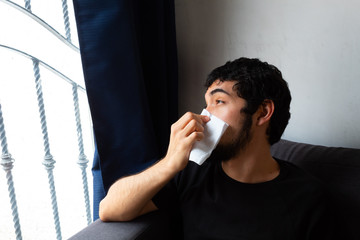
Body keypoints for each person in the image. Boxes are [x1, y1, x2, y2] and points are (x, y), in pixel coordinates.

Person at [99, 57, 333, 239]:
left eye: (219, 102)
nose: (204, 116)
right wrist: (170, 163)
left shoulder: (308, 197)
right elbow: (110, 209)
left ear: (262, 112)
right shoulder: (190, 173)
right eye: (206, 105)